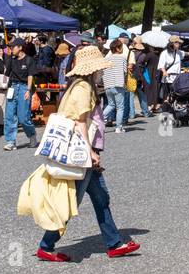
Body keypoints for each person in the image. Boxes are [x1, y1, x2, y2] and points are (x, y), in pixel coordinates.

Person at [21, 45, 140, 262]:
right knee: (72, 200)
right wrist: (90, 152)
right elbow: (80, 123)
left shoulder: (77, 85)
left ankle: (114, 243)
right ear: (93, 68)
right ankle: (46, 245)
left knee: (100, 197)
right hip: (81, 152)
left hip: (82, 151)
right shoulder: (84, 88)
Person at [3, 37, 38, 151]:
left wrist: (28, 90)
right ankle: (10, 141)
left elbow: (30, 76)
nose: (11, 49)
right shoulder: (11, 60)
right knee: (9, 115)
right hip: (12, 87)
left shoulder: (29, 60)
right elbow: (6, 74)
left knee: (23, 117)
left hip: (23, 88)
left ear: (20, 47)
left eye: (13, 47)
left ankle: (32, 135)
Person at [101, 39, 129, 133]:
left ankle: (100, 120)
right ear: (118, 48)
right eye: (121, 47)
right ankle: (118, 127)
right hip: (118, 84)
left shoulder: (105, 59)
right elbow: (125, 71)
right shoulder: (123, 57)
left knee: (111, 105)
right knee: (120, 107)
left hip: (108, 84)